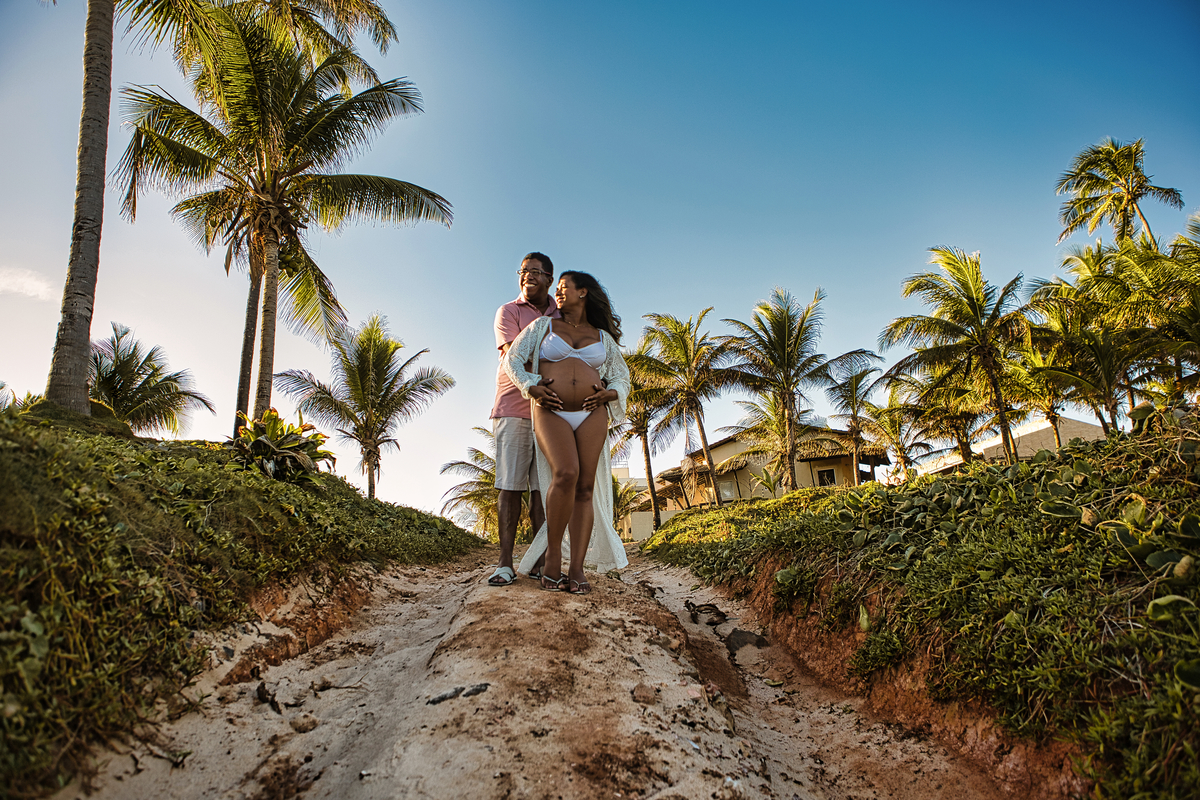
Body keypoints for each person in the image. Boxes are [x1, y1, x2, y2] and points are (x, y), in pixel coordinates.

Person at [502, 271, 631, 593]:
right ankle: (553, 560)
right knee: (566, 474)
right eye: (557, 289)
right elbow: (513, 360)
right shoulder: (542, 327)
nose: (558, 294)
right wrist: (531, 386)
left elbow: (621, 377)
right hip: (551, 409)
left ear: (583, 292)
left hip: (592, 413)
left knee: (585, 488)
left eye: (564, 288)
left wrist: (611, 394)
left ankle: (576, 569)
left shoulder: (603, 337)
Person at [487, 252, 559, 586]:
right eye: (523, 271)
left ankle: (541, 562)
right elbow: (515, 355)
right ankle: (504, 563)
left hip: (553, 409)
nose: (527, 276)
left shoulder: (562, 313)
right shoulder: (508, 311)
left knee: (543, 488)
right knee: (510, 485)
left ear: (549, 277)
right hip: (514, 406)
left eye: (534, 272)